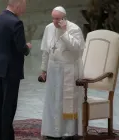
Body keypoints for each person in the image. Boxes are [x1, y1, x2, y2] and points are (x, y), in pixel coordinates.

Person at [39, 6, 86, 139]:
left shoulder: (74, 29)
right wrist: (43, 70)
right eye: (53, 18)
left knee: (65, 101)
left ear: (64, 18)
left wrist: (65, 32)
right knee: (52, 101)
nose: (55, 22)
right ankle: (52, 132)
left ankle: (68, 132)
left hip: (68, 70)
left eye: (58, 19)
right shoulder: (49, 28)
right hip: (53, 69)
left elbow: (78, 49)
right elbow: (45, 51)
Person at [0, 0, 31, 139]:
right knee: (9, 105)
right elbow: (20, 47)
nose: (24, 9)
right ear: (18, 4)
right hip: (11, 68)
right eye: (24, 5)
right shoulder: (16, 22)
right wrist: (27, 48)